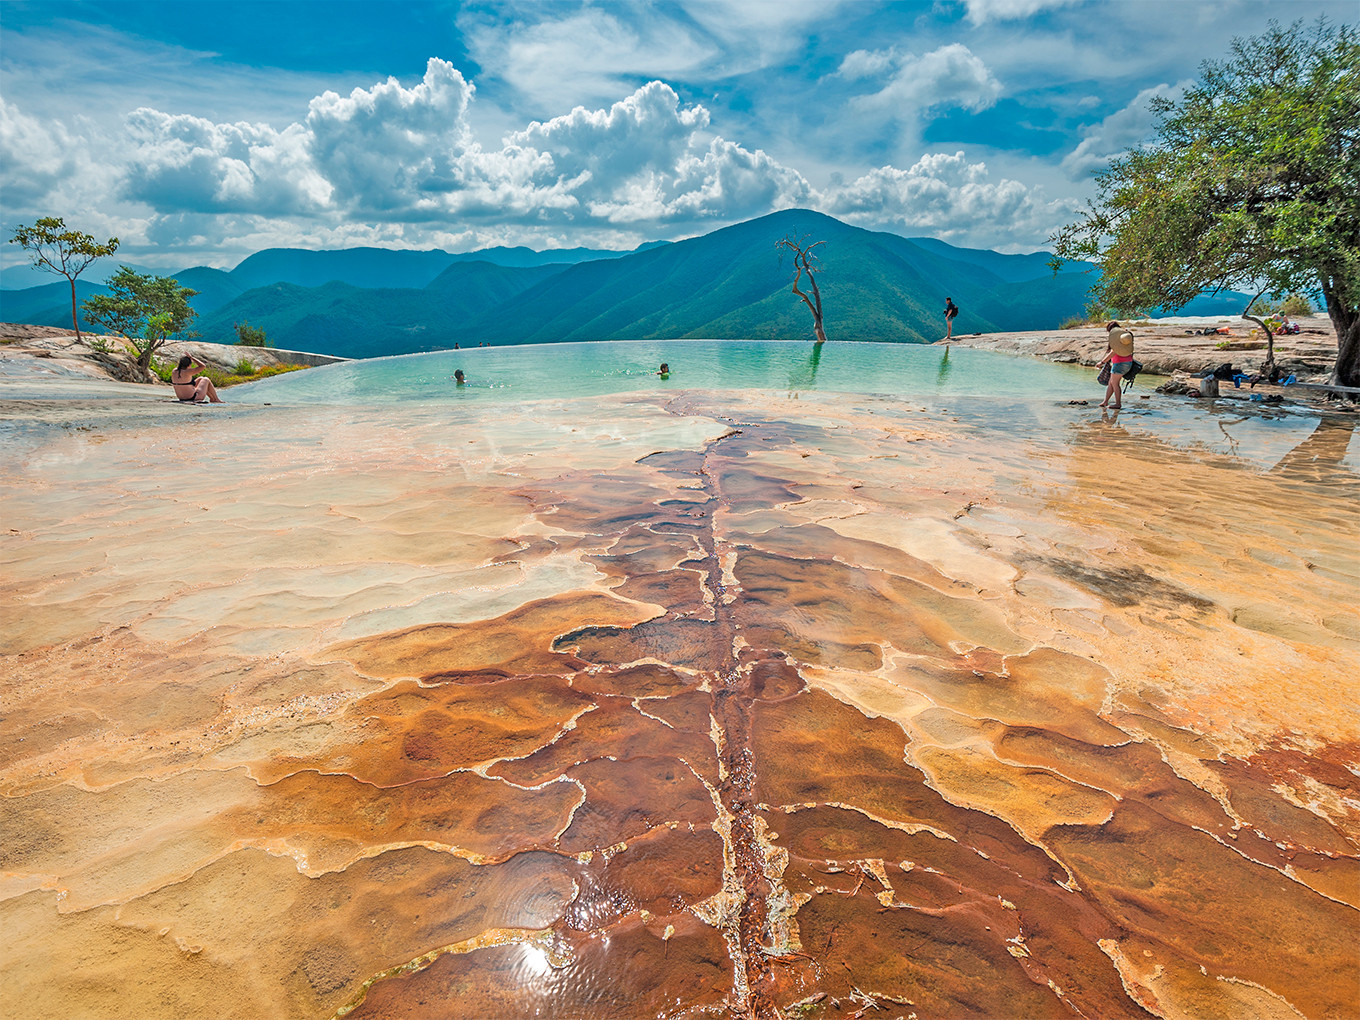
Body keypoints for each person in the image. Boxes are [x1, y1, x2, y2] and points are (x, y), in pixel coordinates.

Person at [1096, 320, 1135, 409]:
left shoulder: (1118, 339)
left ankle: (1118, 404)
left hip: (1120, 364)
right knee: (1111, 383)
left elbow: (1113, 353)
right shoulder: (1124, 337)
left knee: (1115, 383)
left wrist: (1102, 362)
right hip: (1126, 362)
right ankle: (1105, 402)